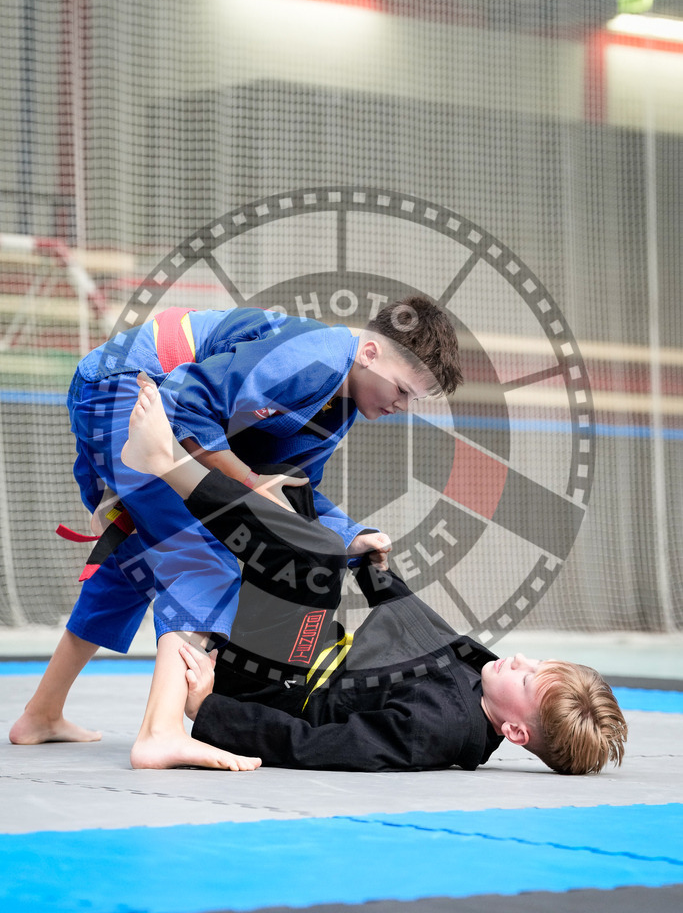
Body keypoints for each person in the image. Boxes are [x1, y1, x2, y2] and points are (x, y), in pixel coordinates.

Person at [10, 296, 462, 771]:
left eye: (415, 400)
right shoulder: (318, 355)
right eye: (403, 389)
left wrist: (350, 535)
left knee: (135, 560)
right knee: (203, 559)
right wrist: (244, 478)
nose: (402, 406)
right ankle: (159, 733)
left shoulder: (338, 405)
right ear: (369, 353)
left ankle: (41, 714)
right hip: (130, 387)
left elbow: (290, 490)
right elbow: (185, 401)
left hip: (132, 397)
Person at [119, 376, 627, 775]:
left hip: (269, 687)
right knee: (297, 501)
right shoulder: (485, 674)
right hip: (304, 650)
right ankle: (166, 482)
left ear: (515, 732)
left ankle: (164, 461)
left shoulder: (439, 731)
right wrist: (373, 567)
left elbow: (317, 746)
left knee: (315, 555)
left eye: (526, 675)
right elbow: (413, 624)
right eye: (534, 661)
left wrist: (210, 709)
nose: (518, 658)